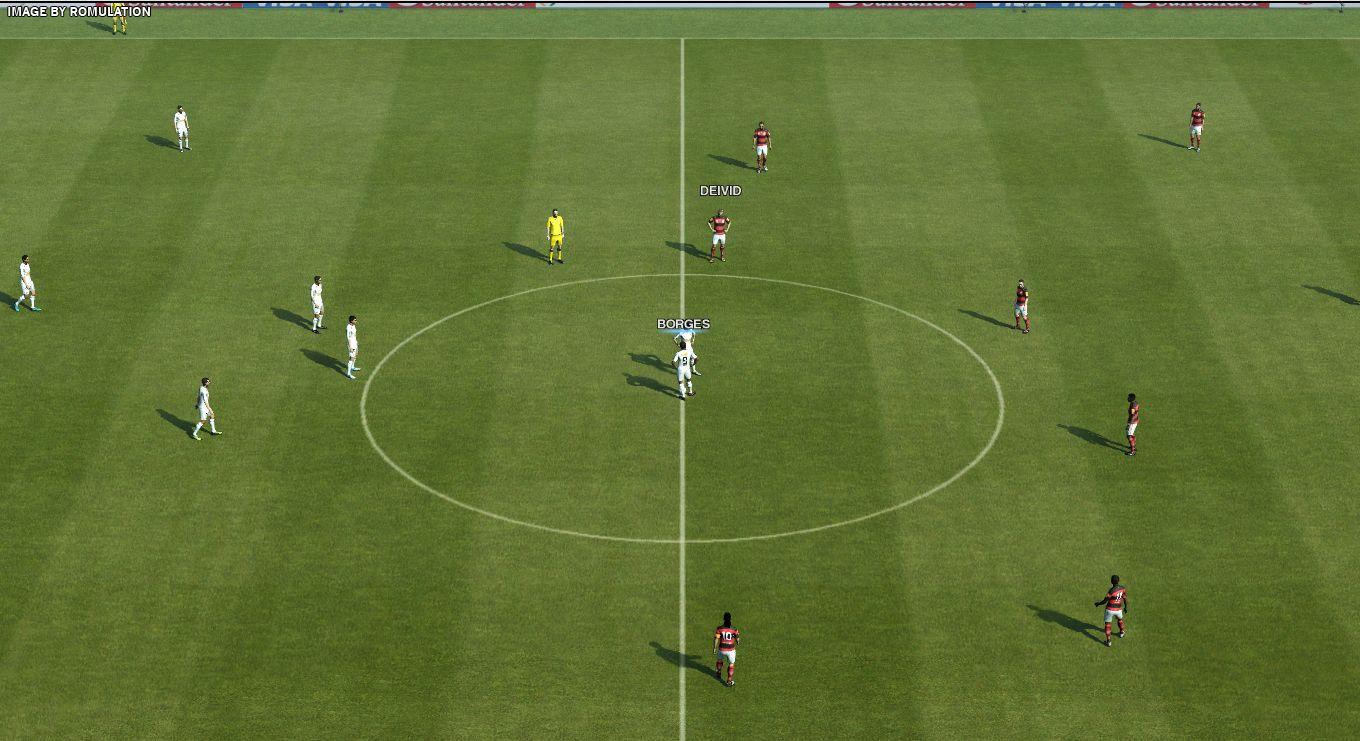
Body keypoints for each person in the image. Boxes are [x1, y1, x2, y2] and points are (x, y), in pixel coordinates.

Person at [1093, 575, 1128, 647]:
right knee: (1120, 620)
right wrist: (1126, 607)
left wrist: (1098, 603)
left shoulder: (1111, 591)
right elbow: (1125, 598)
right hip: (1118, 609)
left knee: (1108, 624)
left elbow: (1105, 601)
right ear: (1118, 581)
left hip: (1110, 609)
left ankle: (1108, 641)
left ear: (1111, 581)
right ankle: (1122, 632)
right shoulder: (1122, 588)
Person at [713, 612, 740, 687]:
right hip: (731, 650)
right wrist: (737, 642)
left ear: (723, 619)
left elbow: (716, 638)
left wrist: (714, 648)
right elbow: (737, 639)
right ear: (731, 619)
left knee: (719, 660)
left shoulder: (719, 628)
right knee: (731, 664)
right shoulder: (734, 629)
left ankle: (718, 672)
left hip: (721, 649)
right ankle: (729, 680)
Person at [346, 315, 360, 380]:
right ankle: (348, 374)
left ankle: (353, 367)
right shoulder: (348, 327)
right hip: (351, 344)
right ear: (351, 321)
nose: (356, 321)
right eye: (355, 320)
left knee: (355, 355)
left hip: (355, 342)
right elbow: (348, 337)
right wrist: (350, 347)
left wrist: (356, 342)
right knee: (351, 358)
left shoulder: (353, 326)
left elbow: (354, 335)